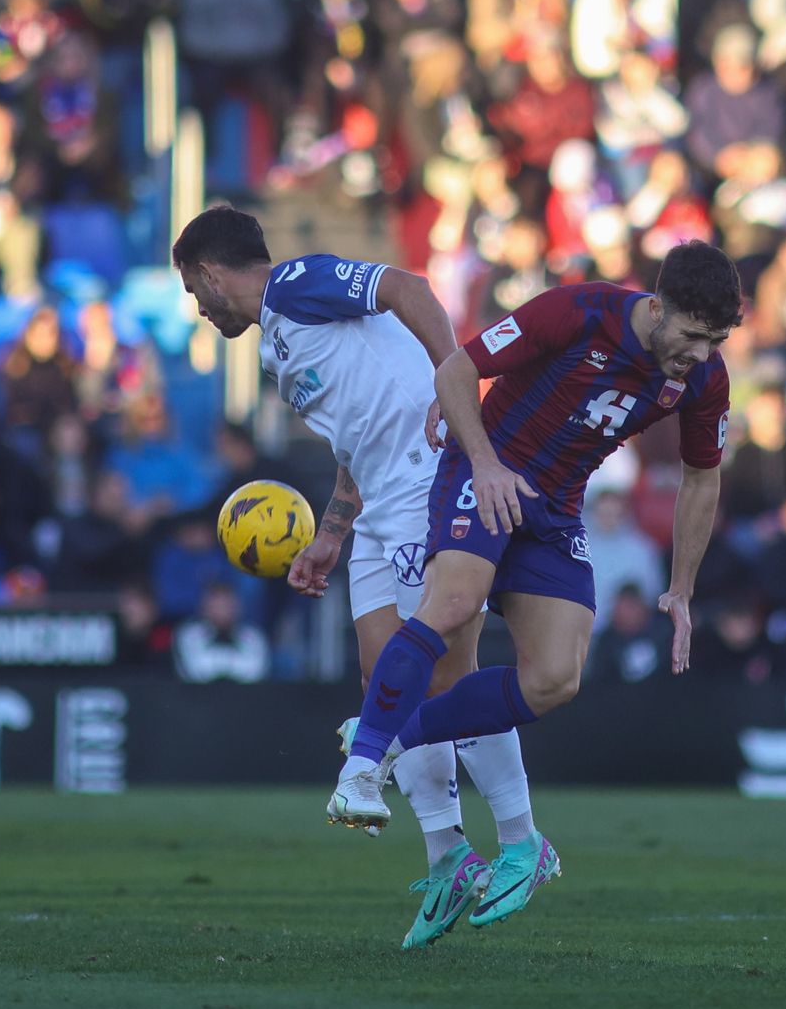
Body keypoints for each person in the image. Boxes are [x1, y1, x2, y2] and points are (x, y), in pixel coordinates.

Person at [328, 241, 742, 925]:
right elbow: (459, 367)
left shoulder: (703, 379)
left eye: (716, 340)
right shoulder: (577, 311)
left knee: (555, 678)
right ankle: (361, 768)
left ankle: (392, 744)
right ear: (658, 307)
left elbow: (702, 477)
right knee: (454, 606)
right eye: (694, 337)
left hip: (552, 508)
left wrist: (682, 588)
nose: (701, 354)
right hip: (482, 472)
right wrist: (484, 462)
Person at [171, 204, 542, 949]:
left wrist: (452, 381)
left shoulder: (298, 283)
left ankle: (523, 843)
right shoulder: (277, 347)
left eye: (192, 290)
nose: (198, 309)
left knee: (443, 675)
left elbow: (408, 288)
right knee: (383, 676)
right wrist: (331, 531)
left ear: (210, 272)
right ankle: (450, 859)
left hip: (422, 482)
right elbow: (355, 434)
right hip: (375, 506)